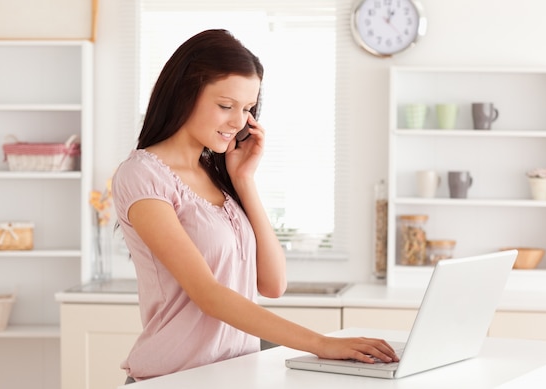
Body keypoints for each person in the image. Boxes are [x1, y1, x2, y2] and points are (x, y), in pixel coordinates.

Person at [112, 29, 399, 384]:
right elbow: (209, 295)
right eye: (225, 106)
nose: (238, 122)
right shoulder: (142, 176)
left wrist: (244, 181)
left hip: (235, 373)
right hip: (173, 378)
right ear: (184, 93)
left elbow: (273, 283)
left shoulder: (218, 175)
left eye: (247, 109)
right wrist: (321, 343)